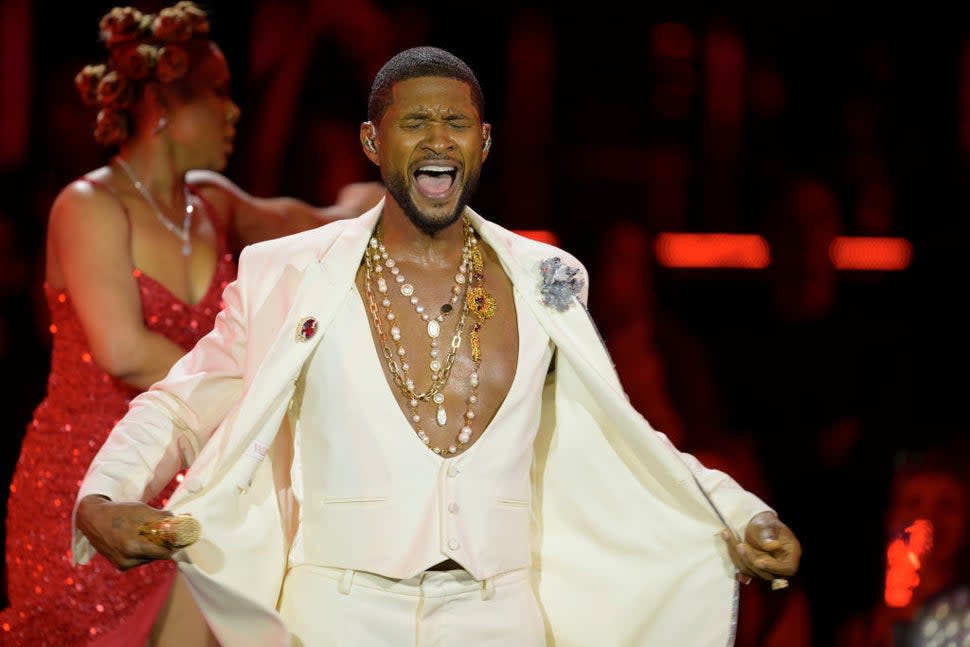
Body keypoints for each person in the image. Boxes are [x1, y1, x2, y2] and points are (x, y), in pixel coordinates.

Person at [72, 45, 801, 646]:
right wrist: (103, 495)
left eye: (456, 123)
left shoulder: (545, 277)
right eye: (414, 121)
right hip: (338, 614)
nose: (438, 139)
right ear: (372, 141)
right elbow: (182, 401)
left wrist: (741, 514)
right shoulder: (290, 274)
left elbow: (625, 433)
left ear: (483, 143)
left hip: (498, 615)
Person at [0, 3, 382, 644]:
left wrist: (375, 194)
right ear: (165, 109)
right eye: (220, 95)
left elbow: (315, 221)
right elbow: (124, 351)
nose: (235, 113)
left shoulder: (212, 203)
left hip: (201, 488)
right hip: (93, 478)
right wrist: (262, 387)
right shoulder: (88, 205)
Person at [834, 444, 970, 647]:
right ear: (892, 519)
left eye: (947, 505)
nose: (929, 519)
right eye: (914, 503)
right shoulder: (865, 632)